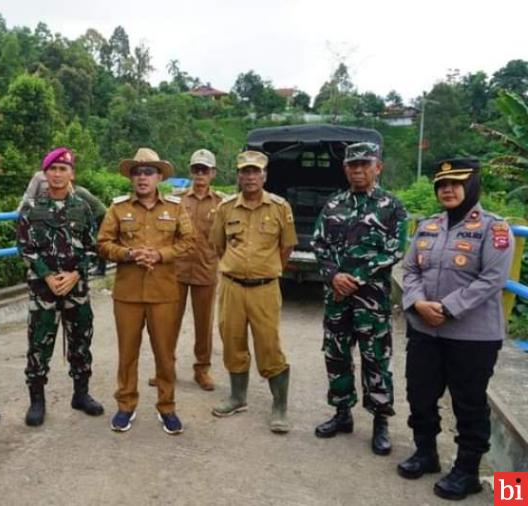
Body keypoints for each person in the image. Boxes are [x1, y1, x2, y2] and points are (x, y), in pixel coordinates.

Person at [399, 158, 513, 501]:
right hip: (425, 329)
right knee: (420, 394)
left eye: (456, 183)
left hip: (472, 336)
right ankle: (425, 453)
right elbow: (410, 270)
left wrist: (448, 309)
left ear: (473, 185)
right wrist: (419, 303)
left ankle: (467, 471)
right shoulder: (427, 226)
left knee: (468, 403)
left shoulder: (495, 228)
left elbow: (493, 279)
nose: (447, 189)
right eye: (441, 184)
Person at [311, 142, 407, 454]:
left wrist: (359, 277)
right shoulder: (333, 204)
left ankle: (380, 421)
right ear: (345, 169)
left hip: (372, 300)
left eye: (365, 164)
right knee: (336, 355)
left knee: (375, 358)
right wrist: (334, 276)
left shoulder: (391, 206)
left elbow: (395, 249)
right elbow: (319, 244)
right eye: (353, 165)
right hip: (337, 297)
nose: (359, 170)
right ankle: (342, 414)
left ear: (378, 166)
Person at [97, 147, 194, 434]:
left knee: (164, 354)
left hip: (164, 293)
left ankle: (167, 407)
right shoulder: (117, 209)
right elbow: (102, 243)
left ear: (159, 176)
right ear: (131, 178)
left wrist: (161, 255)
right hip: (127, 294)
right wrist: (128, 254)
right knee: (127, 352)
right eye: (137, 173)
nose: (142, 178)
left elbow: (189, 241)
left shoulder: (175, 208)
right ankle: (126, 405)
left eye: (148, 172)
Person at [209, 150, 297, 433]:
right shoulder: (226, 207)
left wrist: (265, 269)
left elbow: (286, 248)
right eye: (245, 172)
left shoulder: (280, 207)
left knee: (268, 345)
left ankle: (280, 406)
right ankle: (237, 397)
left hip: (264, 289)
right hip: (232, 287)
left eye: (255, 171)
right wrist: (237, 267)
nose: (250, 177)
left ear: (264, 175)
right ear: (238, 175)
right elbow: (218, 245)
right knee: (232, 340)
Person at [16, 147, 103, 426]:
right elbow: (24, 247)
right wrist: (46, 275)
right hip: (44, 290)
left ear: (71, 174)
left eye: (62, 169)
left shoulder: (84, 207)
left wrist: (77, 273)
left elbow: (94, 246)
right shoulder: (31, 208)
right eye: (52, 169)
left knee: (81, 340)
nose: (56, 174)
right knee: (39, 344)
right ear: (45, 173)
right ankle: (37, 401)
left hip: (76, 289)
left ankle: (81, 394)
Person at [171, 149, 224, 391]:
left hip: (206, 269)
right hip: (177, 269)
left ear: (213, 173)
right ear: (191, 171)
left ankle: (202, 369)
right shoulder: (177, 199)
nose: (200, 174)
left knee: (204, 323)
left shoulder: (222, 203)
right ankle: (166, 366)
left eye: (205, 169)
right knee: (169, 321)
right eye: (196, 169)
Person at [21, 165, 108, 275]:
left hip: (100, 215)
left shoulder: (78, 194)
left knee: (96, 242)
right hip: (96, 214)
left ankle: (100, 268)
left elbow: (92, 210)